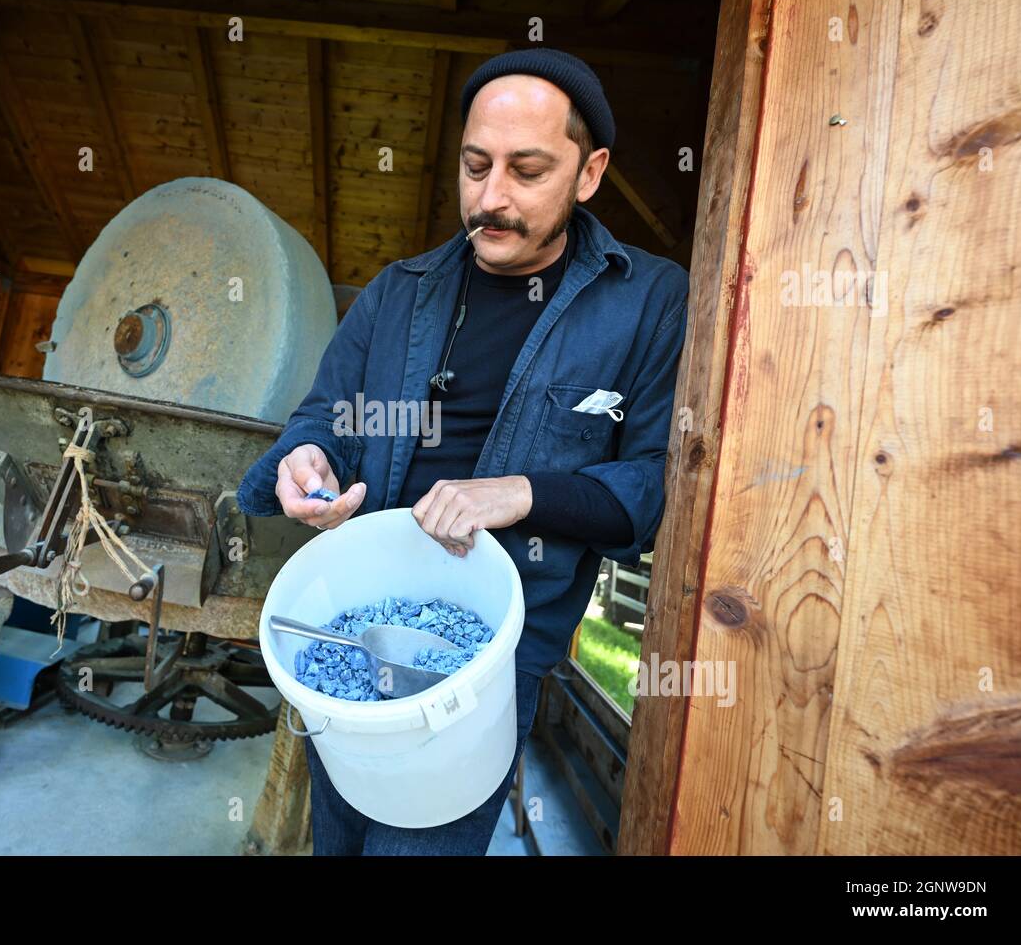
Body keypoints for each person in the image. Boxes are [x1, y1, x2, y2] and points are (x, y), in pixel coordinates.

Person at [238, 48, 689, 855]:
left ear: (590, 174)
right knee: (336, 838)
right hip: (362, 617)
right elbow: (326, 419)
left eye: (527, 171)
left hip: (496, 652)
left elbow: (650, 491)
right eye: (475, 166)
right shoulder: (398, 291)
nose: (491, 199)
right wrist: (305, 461)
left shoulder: (651, 300)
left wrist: (518, 493)